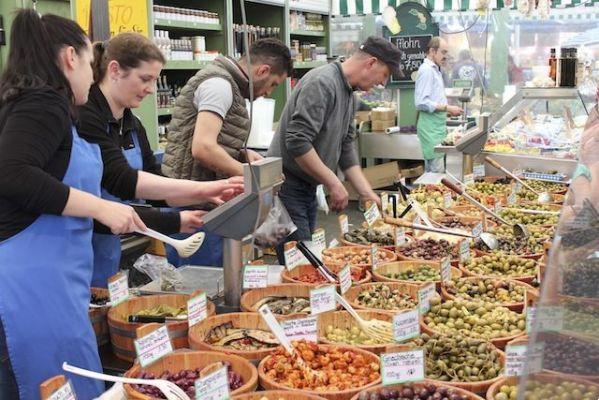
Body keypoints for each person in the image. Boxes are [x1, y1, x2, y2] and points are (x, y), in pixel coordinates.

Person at [0, 10, 146, 399]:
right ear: (70, 57)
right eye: (88, 62)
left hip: (55, 285)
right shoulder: (42, 102)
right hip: (29, 288)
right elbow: (12, 173)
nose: (90, 75)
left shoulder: (44, 106)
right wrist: (100, 207)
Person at [78, 32, 244, 287]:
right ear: (115, 70)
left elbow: (155, 186)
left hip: (111, 245)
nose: (151, 89)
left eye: (155, 80)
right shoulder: (86, 117)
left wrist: (208, 196)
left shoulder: (132, 123)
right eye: (145, 79)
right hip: (81, 244)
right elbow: (121, 180)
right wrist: (198, 196)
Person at [268, 36, 400, 264]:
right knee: (299, 262)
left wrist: (366, 191)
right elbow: (297, 142)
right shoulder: (322, 83)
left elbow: (346, 144)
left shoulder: (348, 92)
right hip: (283, 188)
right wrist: (334, 183)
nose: (382, 83)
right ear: (371, 63)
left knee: (304, 258)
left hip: (305, 187)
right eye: (385, 75)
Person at [161, 38, 292, 266]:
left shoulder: (228, 85)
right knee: (202, 282)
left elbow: (212, 137)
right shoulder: (219, 85)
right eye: (273, 84)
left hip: (205, 200)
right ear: (262, 70)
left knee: (218, 279)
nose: (269, 92)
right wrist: (252, 175)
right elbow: (203, 147)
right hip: (194, 205)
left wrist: (242, 152)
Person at [415, 37, 464, 173]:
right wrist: (447, 108)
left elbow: (434, 99)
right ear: (432, 51)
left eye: (447, 53)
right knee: (435, 175)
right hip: (430, 129)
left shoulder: (435, 70)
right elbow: (421, 102)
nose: (445, 57)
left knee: (435, 172)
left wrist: (446, 110)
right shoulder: (427, 71)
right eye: (443, 52)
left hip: (436, 127)